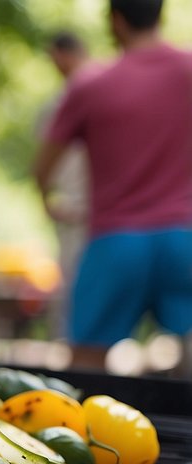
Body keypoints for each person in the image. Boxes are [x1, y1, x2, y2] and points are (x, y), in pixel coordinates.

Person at [33, 0, 192, 371]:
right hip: (184, 237)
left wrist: (48, 201)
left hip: (115, 241)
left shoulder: (91, 84)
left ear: (116, 21)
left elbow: (43, 168)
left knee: (86, 364)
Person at [36, 31, 96, 342]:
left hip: (95, 211)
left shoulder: (81, 96)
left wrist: (45, 196)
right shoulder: (58, 103)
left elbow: (44, 164)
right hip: (79, 210)